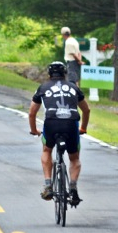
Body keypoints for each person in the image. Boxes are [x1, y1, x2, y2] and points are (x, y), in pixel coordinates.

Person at [28, 62, 91, 205]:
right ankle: (73, 187)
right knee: (74, 158)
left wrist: (34, 130)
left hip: (52, 123)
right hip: (71, 124)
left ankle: (48, 185)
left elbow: (32, 113)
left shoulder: (43, 88)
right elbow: (86, 110)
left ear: (49, 74)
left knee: (46, 150)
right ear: (65, 74)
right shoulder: (74, 87)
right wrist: (83, 128)